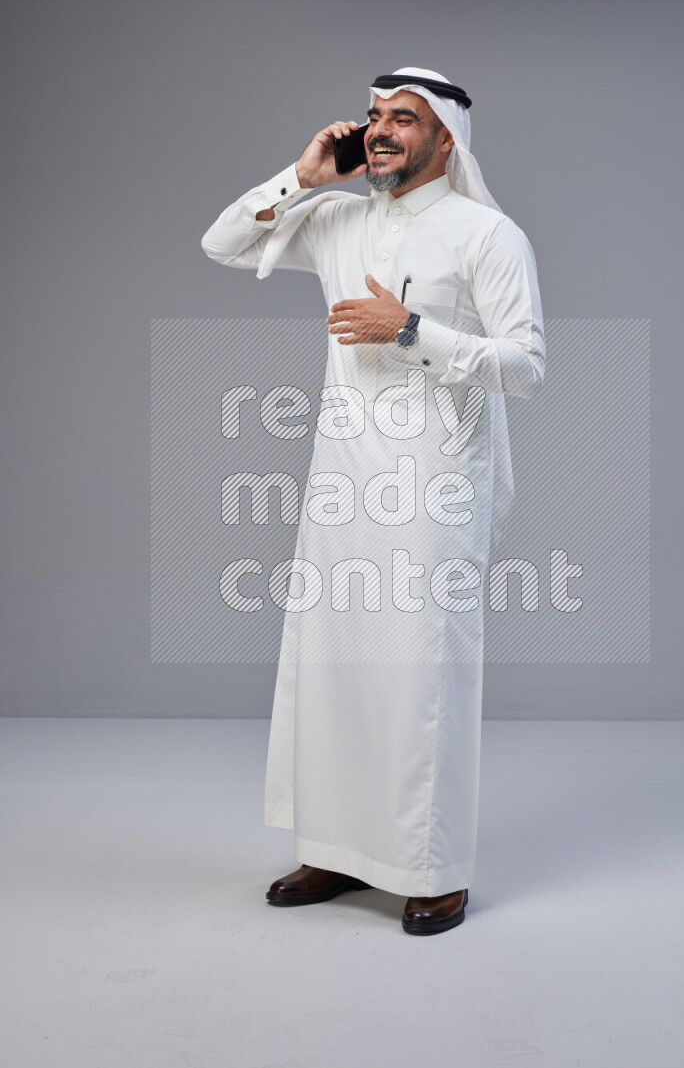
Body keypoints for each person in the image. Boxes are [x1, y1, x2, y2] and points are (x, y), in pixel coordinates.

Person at [201, 67, 545, 935]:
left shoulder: (488, 235)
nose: (383, 129)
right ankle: (336, 851)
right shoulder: (340, 218)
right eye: (375, 116)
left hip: (434, 487)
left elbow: (527, 366)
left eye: (406, 118)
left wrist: (413, 332)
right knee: (334, 664)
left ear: (447, 139)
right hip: (340, 483)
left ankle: (434, 868)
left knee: (422, 672)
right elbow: (222, 244)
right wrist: (303, 177)